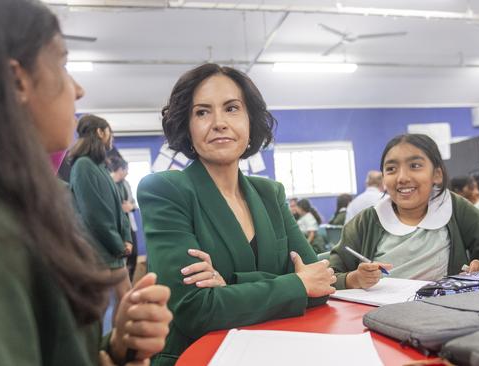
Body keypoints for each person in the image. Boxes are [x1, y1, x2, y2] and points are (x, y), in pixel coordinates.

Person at [0, 0, 172, 365]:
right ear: (16, 82)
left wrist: (114, 348)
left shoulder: (7, 209)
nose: (77, 90)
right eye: (61, 63)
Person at [138, 63, 335, 366]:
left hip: (276, 350)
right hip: (196, 357)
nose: (219, 122)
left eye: (232, 108)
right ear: (187, 127)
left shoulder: (270, 193)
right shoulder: (165, 190)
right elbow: (195, 311)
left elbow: (319, 283)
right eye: (202, 112)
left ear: (250, 121)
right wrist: (294, 284)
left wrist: (228, 287)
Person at [329, 134, 479, 290]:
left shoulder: (455, 208)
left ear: (437, 174)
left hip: (443, 313)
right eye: (391, 169)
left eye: (415, 166)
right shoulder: (367, 221)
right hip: (379, 315)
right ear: (383, 179)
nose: (402, 177)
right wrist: (352, 279)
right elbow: (329, 275)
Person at [69, 114, 134, 322]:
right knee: (99, 311)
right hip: (99, 253)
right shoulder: (83, 165)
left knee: (127, 302)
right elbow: (95, 214)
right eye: (109, 132)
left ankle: (119, 349)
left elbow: (118, 209)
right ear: (100, 132)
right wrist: (119, 245)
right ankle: (102, 351)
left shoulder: (101, 167)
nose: (111, 137)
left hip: (114, 252)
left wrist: (127, 238)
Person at [108, 155, 139, 281]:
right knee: (119, 256)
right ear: (120, 169)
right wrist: (120, 208)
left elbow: (134, 203)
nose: (128, 172)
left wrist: (130, 206)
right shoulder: (108, 183)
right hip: (115, 226)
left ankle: (129, 281)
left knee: (134, 253)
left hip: (129, 224)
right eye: (126, 169)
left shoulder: (126, 184)